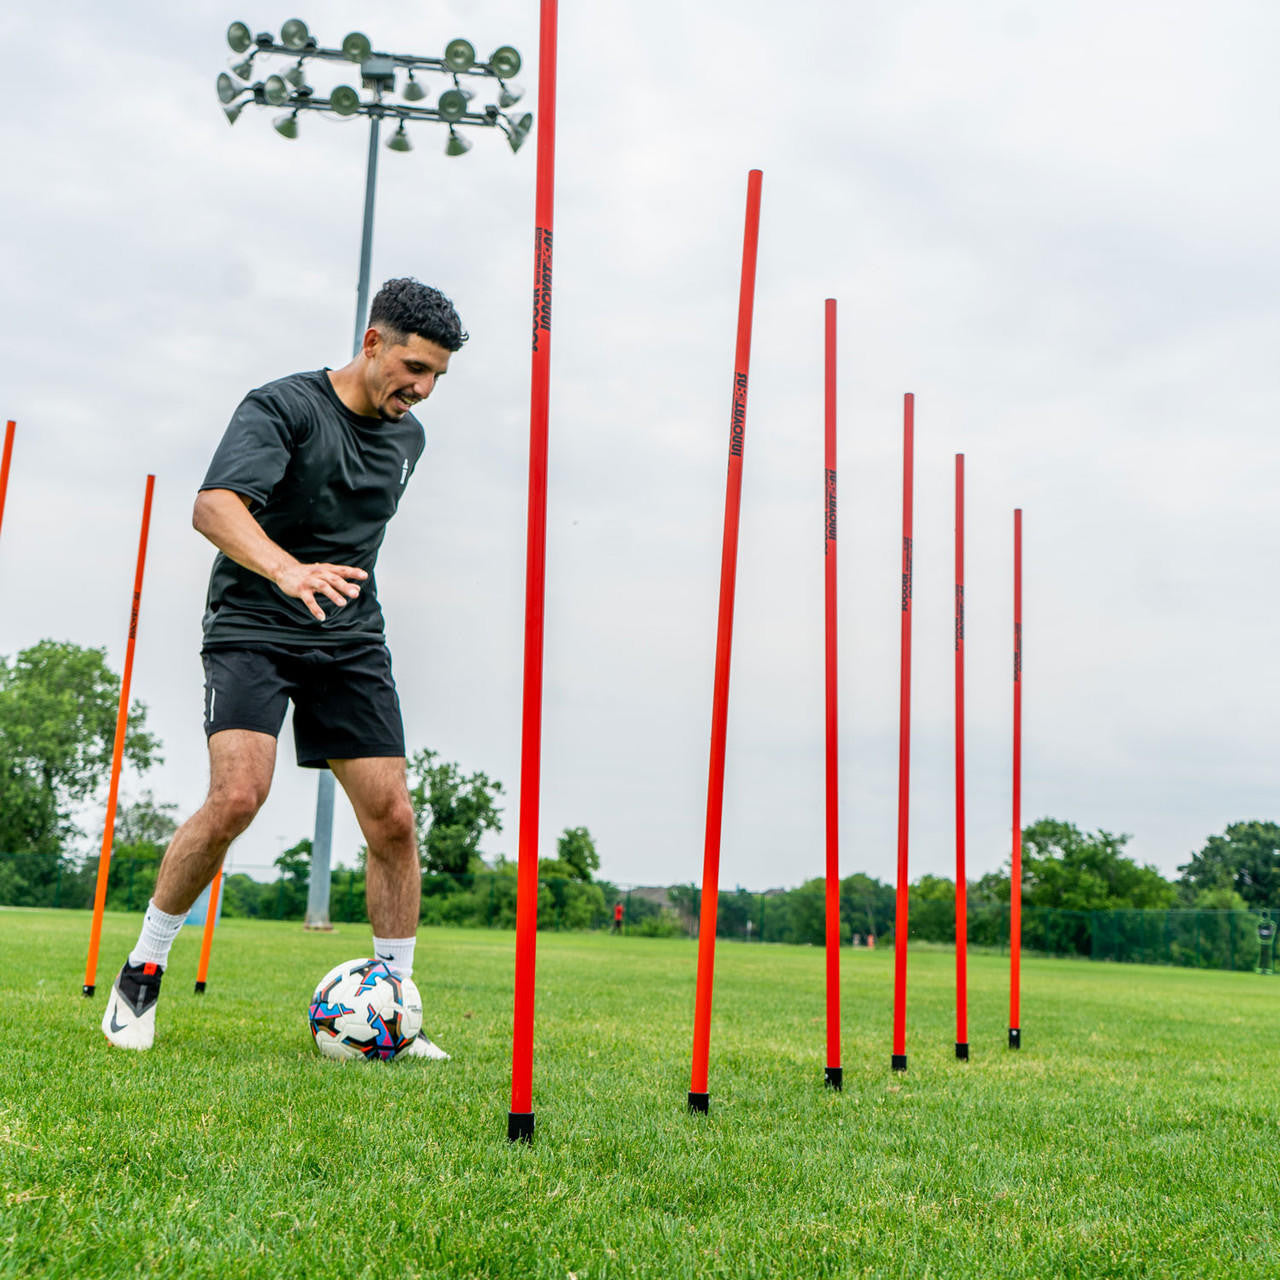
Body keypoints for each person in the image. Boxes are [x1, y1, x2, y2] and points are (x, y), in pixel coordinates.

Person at [102, 278, 464, 1058]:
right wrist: (286, 569)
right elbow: (214, 506)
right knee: (237, 796)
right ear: (371, 343)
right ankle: (142, 970)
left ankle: (397, 1005)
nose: (422, 389)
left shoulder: (410, 439)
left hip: (349, 635)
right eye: (411, 366)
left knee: (393, 818)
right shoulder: (282, 407)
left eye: (436, 375)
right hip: (254, 622)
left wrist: (325, 591)